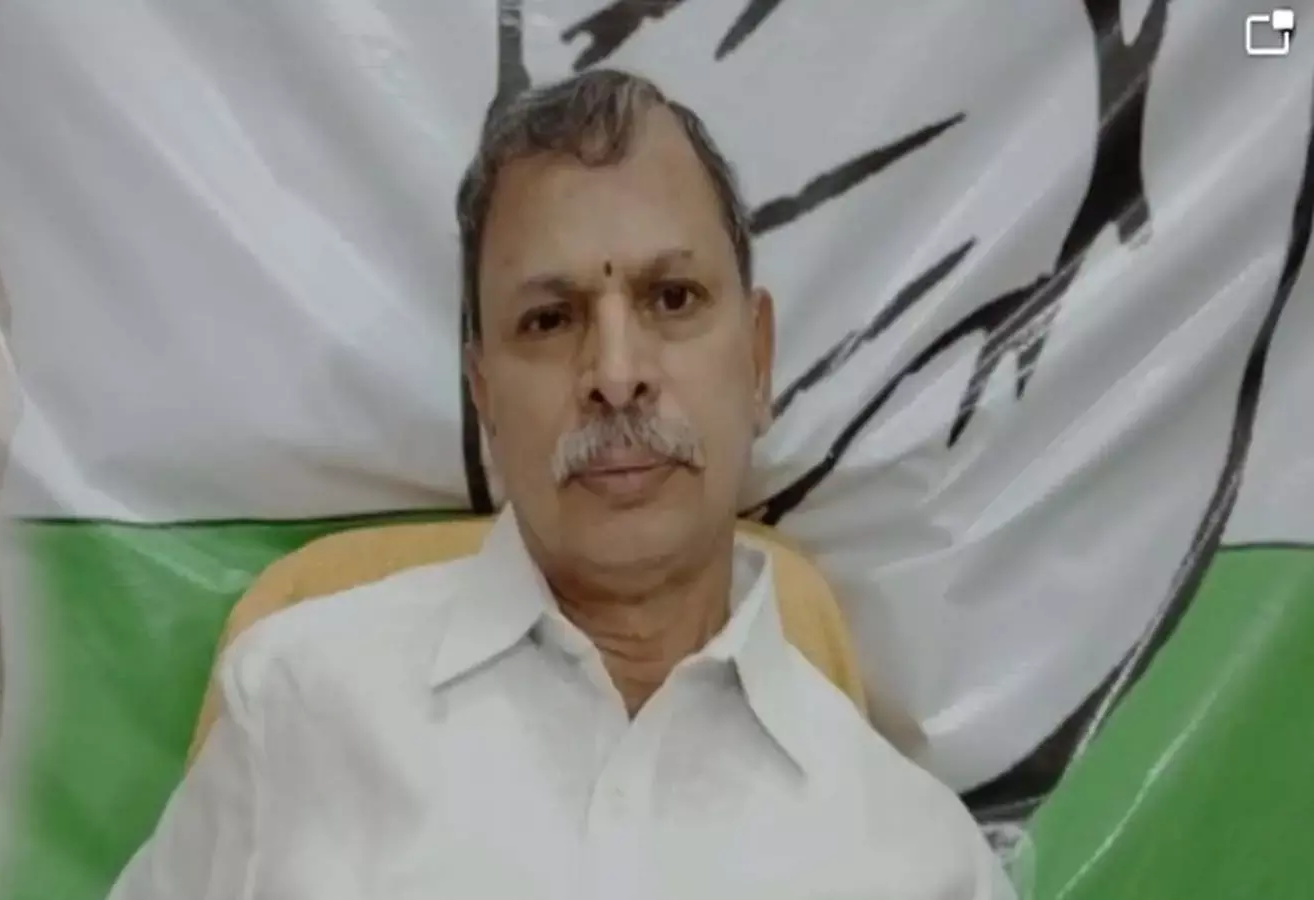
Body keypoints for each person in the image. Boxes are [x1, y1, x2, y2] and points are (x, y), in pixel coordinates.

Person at [109, 69, 1015, 900]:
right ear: (483, 395)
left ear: (759, 359)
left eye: (671, 299)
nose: (616, 375)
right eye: (550, 319)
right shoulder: (298, 714)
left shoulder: (920, 859)